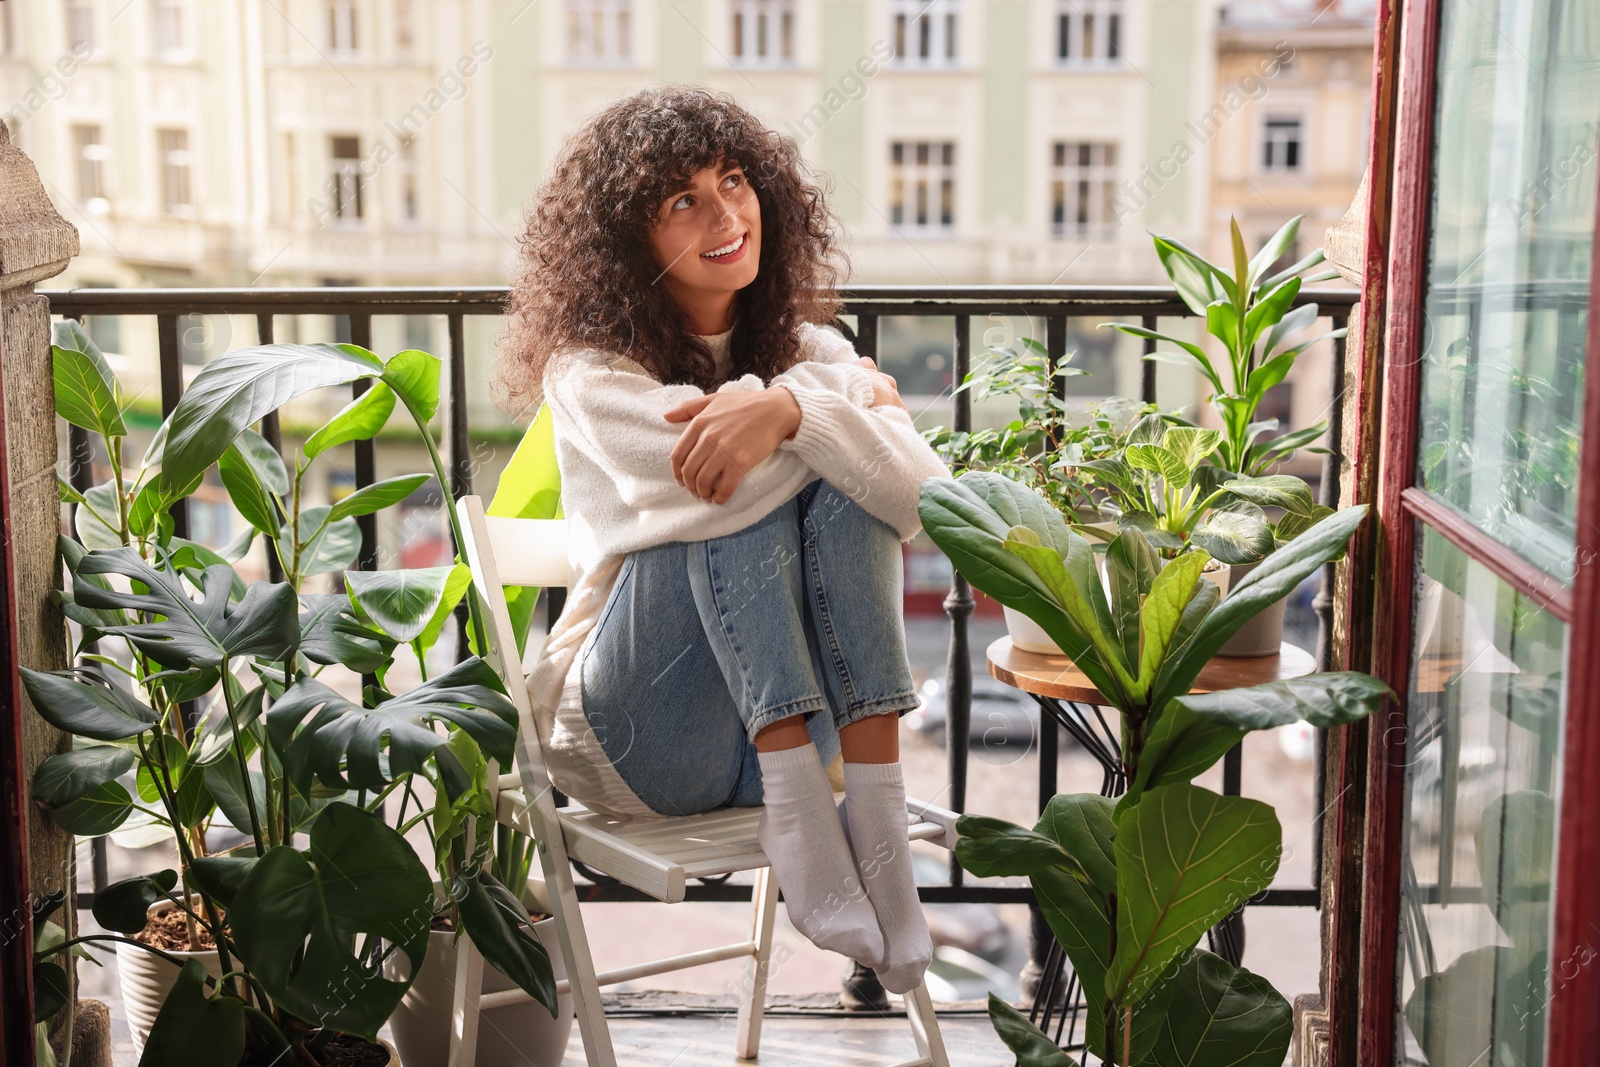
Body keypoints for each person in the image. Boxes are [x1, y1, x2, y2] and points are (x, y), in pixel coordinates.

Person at [494, 85, 949, 995]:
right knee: (731, 493)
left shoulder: (808, 353)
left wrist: (786, 407)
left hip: (793, 729)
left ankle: (873, 837)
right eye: (682, 201)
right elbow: (719, 491)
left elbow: (924, 499)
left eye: (734, 181)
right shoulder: (590, 373)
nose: (725, 213)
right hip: (642, 737)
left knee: (839, 490)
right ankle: (811, 822)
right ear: (630, 243)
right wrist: (847, 412)